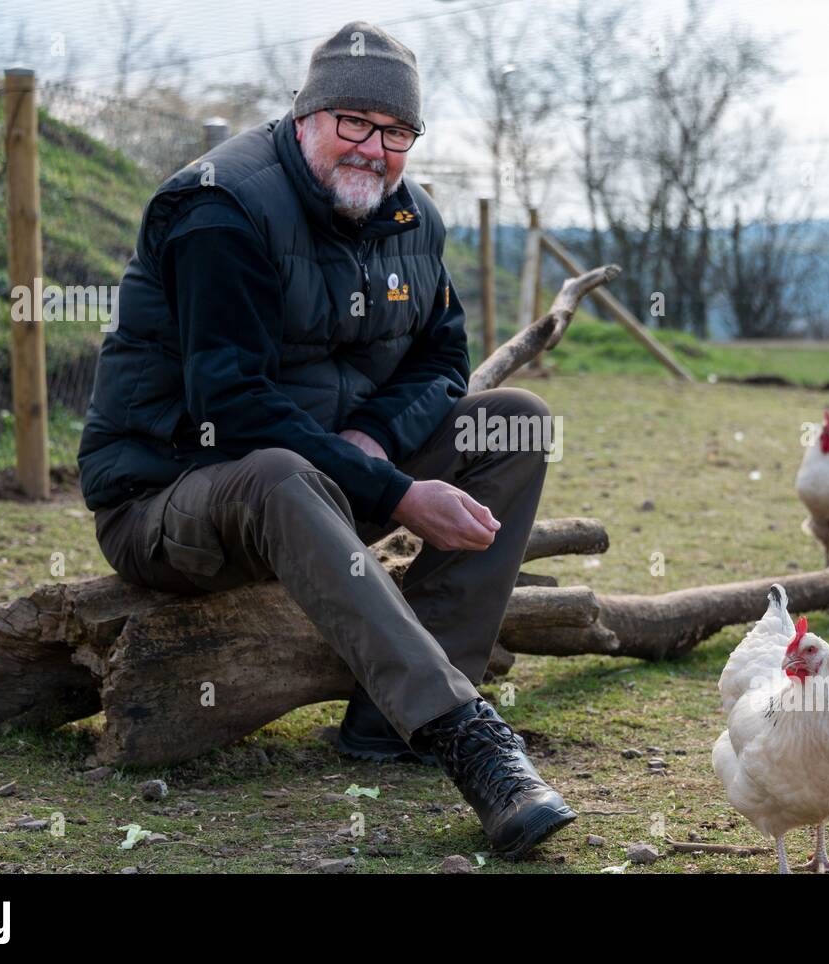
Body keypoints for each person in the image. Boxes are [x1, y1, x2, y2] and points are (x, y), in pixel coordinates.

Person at [76, 20, 575, 859]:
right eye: (353, 123)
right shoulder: (220, 209)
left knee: (516, 417)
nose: (374, 149)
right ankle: (465, 735)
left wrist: (375, 440)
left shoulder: (412, 219)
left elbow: (443, 355)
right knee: (276, 471)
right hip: (172, 499)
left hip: (329, 482)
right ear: (305, 115)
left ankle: (390, 718)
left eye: (396, 133)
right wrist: (398, 493)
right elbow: (230, 407)